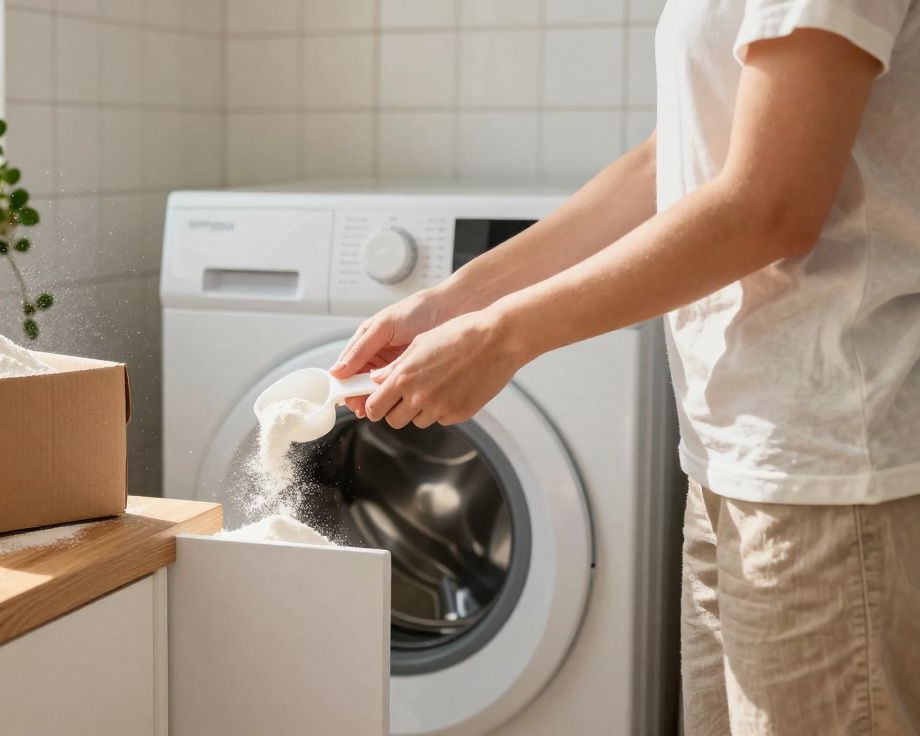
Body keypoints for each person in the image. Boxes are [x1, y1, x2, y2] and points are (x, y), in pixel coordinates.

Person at [331, 2, 920, 734]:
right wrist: (457, 300)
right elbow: (667, 160)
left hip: (828, 463)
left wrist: (502, 336)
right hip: (731, 453)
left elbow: (772, 204)